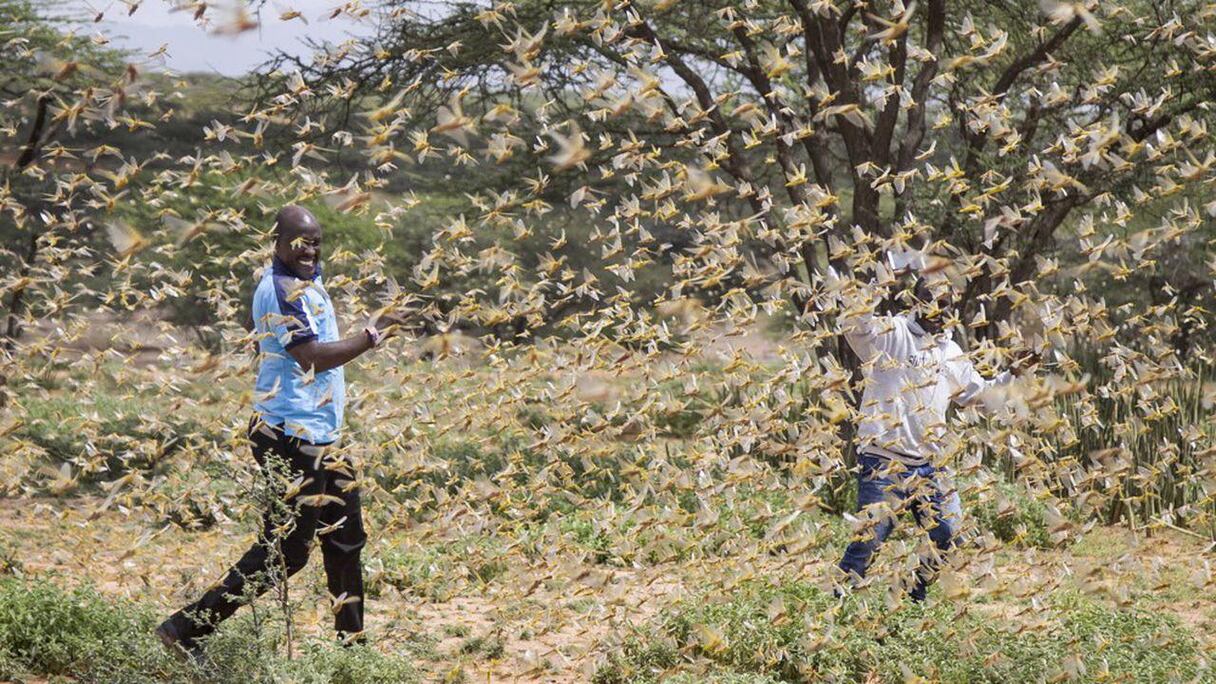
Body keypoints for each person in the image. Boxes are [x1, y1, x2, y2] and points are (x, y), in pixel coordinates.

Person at [156, 206, 405, 659]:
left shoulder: (309, 280)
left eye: (316, 241)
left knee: (346, 537)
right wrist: (371, 337)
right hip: (288, 436)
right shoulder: (279, 290)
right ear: (278, 241)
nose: (309, 249)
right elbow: (310, 356)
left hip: (320, 436)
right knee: (287, 551)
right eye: (300, 241)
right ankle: (185, 629)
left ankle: (352, 649)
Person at [828, 251, 1034, 602]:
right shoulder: (891, 333)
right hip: (883, 461)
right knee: (870, 538)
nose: (939, 311)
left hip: (930, 464)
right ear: (917, 301)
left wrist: (1013, 373)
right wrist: (882, 279)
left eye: (945, 305)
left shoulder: (949, 351)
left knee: (949, 533)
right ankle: (837, 608)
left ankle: (913, 597)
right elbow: (855, 322)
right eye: (933, 302)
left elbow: (978, 394)